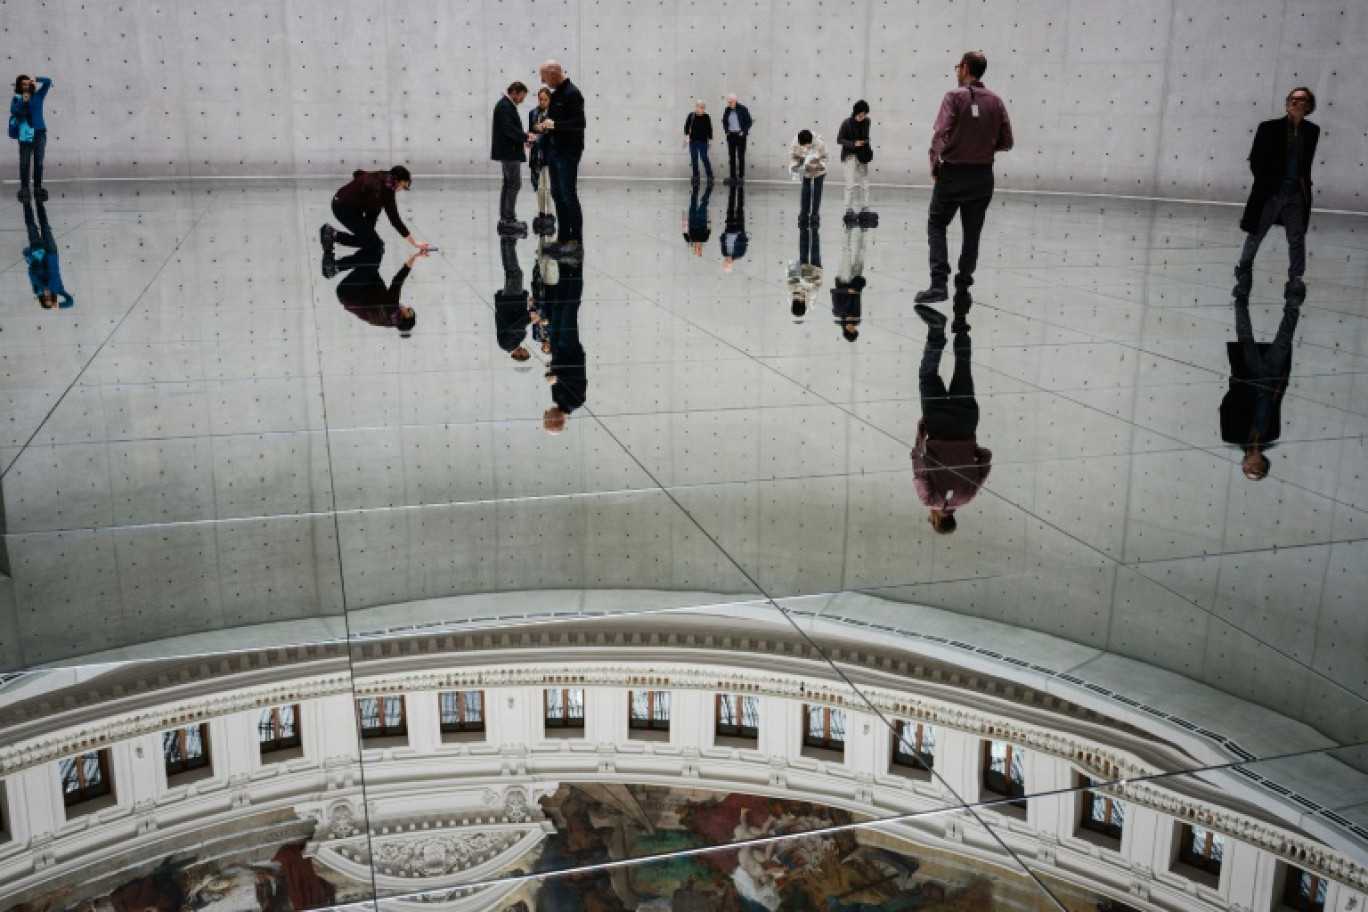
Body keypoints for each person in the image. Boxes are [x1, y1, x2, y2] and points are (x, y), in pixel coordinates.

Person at [916, 51, 1013, 305]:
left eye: (958, 67)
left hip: (953, 174)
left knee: (937, 224)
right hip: (982, 177)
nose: (957, 71)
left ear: (966, 68)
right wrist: (983, 147)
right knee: (973, 232)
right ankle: (963, 284)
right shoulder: (996, 101)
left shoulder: (953, 97)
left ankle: (939, 285)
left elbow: (941, 133)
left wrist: (934, 163)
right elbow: (1007, 142)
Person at [911, 303, 992, 533]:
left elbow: (986, 458)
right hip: (937, 425)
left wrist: (968, 448)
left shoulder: (968, 496)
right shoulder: (929, 500)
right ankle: (936, 329)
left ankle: (961, 325)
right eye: (931, 520)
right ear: (937, 520)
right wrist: (920, 435)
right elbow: (918, 464)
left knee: (963, 367)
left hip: (966, 423)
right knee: (928, 376)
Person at [1234, 87, 1319, 304]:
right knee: (1256, 234)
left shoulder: (1312, 131)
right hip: (1271, 191)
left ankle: (1296, 278)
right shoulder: (1269, 128)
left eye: (1300, 100)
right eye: (1291, 98)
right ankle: (1244, 271)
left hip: (1297, 192)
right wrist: (1268, 184)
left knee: (1297, 238)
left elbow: (1305, 163)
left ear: (1308, 106)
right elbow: (1255, 160)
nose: (1294, 102)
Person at [1221, 288, 1300, 480]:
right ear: (1265, 463)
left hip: (1248, 377)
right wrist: (1282, 383)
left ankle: (1241, 295)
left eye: (1249, 469)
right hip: (1272, 379)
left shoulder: (1232, 436)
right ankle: (1294, 299)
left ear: (1244, 464)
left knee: (1245, 334)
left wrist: (1238, 386)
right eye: (1258, 469)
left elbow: (1225, 408)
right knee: (1285, 337)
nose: (1253, 466)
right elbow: (1276, 406)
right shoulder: (1272, 435)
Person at [319, 166, 428, 277]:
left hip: (341, 202)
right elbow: (395, 220)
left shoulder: (382, 176)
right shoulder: (387, 191)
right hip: (344, 209)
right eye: (403, 186)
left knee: (373, 241)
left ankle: (332, 236)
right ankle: (333, 239)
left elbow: (357, 173)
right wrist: (414, 242)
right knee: (375, 245)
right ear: (397, 180)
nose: (401, 189)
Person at [535, 60, 586, 261]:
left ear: (554, 73)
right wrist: (543, 130)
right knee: (557, 194)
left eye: (544, 77)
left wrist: (555, 124)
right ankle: (563, 238)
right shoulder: (556, 95)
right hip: (555, 151)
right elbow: (555, 124)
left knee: (568, 194)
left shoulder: (573, 94)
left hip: (569, 152)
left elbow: (580, 123)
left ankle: (576, 242)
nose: (542, 80)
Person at [333, 243, 424, 336]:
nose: (407, 307)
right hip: (351, 292)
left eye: (409, 311)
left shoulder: (392, 308)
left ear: (405, 316)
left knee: (375, 253)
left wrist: (415, 257)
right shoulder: (386, 319)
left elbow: (397, 280)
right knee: (372, 250)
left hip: (348, 292)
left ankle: (334, 266)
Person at [542, 262, 586, 434]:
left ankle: (565, 267)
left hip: (558, 350)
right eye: (546, 417)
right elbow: (576, 377)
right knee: (569, 308)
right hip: (569, 349)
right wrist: (556, 378)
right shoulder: (575, 402)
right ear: (554, 420)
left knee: (558, 307)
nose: (545, 413)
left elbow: (556, 376)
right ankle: (574, 268)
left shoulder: (556, 400)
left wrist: (550, 371)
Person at [492, 81, 530, 236]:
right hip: (510, 153)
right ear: (514, 92)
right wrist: (526, 136)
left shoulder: (504, 105)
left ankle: (506, 219)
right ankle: (508, 219)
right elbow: (509, 129)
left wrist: (524, 138)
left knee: (508, 185)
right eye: (521, 96)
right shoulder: (504, 106)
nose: (522, 100)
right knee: (514, 184)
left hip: (508, 152)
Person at [23, 198, 73, 308]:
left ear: (42, 299)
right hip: (51, 254)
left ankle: (26, 201)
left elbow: (31, 273)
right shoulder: (58, 289)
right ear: (54, 298)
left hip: (38, 254)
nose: (48, 297)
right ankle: (39, 200)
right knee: (45, 226)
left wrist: (43, 286)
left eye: (45, 299)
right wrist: (57, 305)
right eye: (50, 299)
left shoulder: (37, 289)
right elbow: (70, 302)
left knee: (31, 226)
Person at [11, 74, 52, 202]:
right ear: (19, 86)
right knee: (24, 163)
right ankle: (24, 188)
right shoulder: (17, 98)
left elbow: (48, 81)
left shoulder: (39, 95)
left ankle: (37, 187)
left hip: (39, 133)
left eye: (28, 83)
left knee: (39, 162)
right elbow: (15, 112)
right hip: (25, 135)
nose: (26, 86)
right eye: (23, 84)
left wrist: (36, 78)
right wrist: (23, 101)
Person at [836, 101, 876, 227]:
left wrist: (866, 143)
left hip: (862, 155)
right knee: (850, 184)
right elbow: (839, 139)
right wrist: (853, 144)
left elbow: (866, 136)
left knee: (865, 183)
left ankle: (865, 208)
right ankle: (848, 209)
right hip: (849, 155)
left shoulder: (867, 121)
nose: (862, 118)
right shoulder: (846, 123)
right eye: (860, 115)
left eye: (864, 115)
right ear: (855, 113)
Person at [495, 235, 534, 362]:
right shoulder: (512, 344)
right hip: (512, 301)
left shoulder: (507, 345)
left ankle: (510, 241)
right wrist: (529, 306)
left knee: (516, 273)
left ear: (519, 355)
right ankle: (506, 241)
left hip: (511, 301)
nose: (526, 350)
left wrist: (530, 318)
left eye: (526, 353)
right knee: (510, 272)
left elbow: (514, 328)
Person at [831, 223, 867, 341]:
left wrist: (847, 290)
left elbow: (834, 291)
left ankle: (848, 228)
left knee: (847, 252)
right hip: (855, 281)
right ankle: (863, 229)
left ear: (845, 329)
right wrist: (857, 288)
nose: (852, 327)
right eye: (854, 329)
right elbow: (858, 296)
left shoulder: (837, 313)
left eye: (849, 329)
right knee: (861, 253)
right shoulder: (857, 315)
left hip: (843, 280)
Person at [528, 87, 555, 235]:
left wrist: (542, 129)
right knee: (539, 186)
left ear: (549, 100)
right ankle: (541, 212)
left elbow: (552, 133)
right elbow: (531, 130)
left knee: (548, 186)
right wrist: (531, 138)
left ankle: (549, 212)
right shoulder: (533, 113)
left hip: (549, 153)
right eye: (540, 99)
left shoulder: (553, 114)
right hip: (536, 153)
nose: (542, 101)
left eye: (545, 99)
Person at [789, 129, 828, 226]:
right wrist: (795, 165)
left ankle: (815, 214)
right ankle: (803, 214)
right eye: (802, 145)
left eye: (806, 145)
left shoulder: (819, 142)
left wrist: (820, 166)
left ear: (811, 141)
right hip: (805, 169)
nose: (804, 147)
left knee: (817, 191)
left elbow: (825, 157)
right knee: (805, 191)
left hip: (818, 169)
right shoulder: (796, 141)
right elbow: (793, 156)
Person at [786, 221, 822, 320]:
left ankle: (803, 226)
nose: (800, 300)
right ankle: (814, 227)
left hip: (801, 271)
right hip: (815, 271)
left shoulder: (790, 299)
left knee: (803, 247)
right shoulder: (811, 304)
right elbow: (816, 288)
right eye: (802, 302)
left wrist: (799, 289)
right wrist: (804, 289)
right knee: (815, 248)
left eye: (797, 301)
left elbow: (790, 283)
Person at [721, 94, 752, 185]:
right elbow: (725, 121)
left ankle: (741, 177)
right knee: (732, 157)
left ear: (735, 100)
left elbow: (749, 122)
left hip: (740, 135)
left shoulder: (743, 109)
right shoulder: (727, 110)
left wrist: (744, 131)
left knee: (741, 156)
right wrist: (726, 130)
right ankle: (732, 176)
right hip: (731, 135)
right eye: (728, 102)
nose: (730, 103)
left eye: (731, 102)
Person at [683, 99, 714, 184]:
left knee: (704, 157)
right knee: (694, 158)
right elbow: (686, 126)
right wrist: (687, 136)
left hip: (703, 141)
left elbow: (709, 129)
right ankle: (696, 175)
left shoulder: (706, 116)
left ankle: (710, 175)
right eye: (700, 107)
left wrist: (710, 139)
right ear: (697, 107)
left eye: (703, 108)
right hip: (693, 141)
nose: (702, 109)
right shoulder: (691, 115)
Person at [720, 183, 747, 273]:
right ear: (730, 264)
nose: (724, 262)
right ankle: (740, 188)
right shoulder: (739, 254)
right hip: (738, 230)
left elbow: (722, 242)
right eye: (725, 264)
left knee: (730, 208)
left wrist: (723, 236)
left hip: (729, 229)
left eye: (724, 264)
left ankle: (732, 187)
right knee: (739, 208)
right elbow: (744, 242)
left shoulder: (724, 253)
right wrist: (741, 234)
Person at [683, 180, 713, 257]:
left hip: (692, 219)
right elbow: (709, 228)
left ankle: (695, 186)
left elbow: (685, 228)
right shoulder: (705, 239)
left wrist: (685, 217)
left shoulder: (689, 240)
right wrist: (709, 215)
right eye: (699, 250)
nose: (698, 249)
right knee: (704, 203)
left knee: (693, 201)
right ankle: (709, 188)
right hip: (702, 219)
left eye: (697, 250)